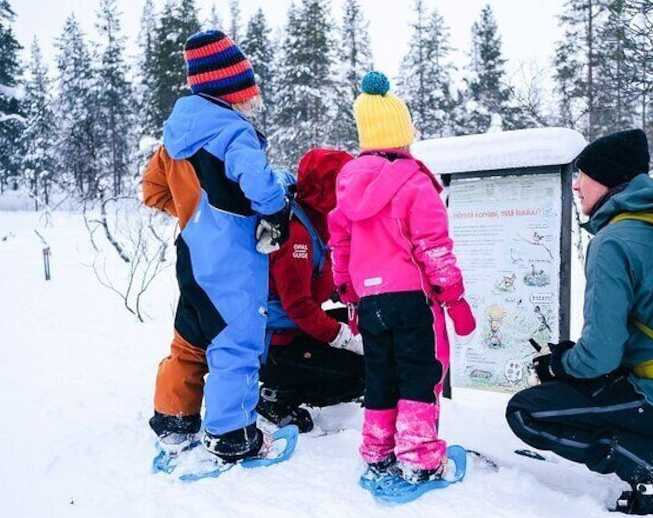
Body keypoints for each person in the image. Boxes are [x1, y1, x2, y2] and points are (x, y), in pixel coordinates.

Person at [506, 129, 653, 517]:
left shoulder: (614, 241)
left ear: (609, 180)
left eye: (584, 176)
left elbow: (600, 356)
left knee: (527, 412)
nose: (577, 186)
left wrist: (556, 365)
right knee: (605, 391)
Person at [142, 30, 292, 463]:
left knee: (189, 339)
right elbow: (261, 187)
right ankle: (231, 435)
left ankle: (174, 421)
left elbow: (152, 191)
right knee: (236, 341)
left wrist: (196, 214)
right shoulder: (233, 132)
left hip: (191, 253)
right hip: (231, 262)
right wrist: (274, 209)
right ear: (232, 90)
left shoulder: (174, 138)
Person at [329, 71, 476, 486]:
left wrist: (350, 294)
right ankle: (418, 457)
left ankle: (377, 452)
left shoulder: (347, 188)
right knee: (418, 373)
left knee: (381, 375)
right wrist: (454, 298)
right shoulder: (415, 184)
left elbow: (340, 247)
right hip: (412, 299)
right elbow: (433, 246)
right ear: (401, 134)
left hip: (371, 302)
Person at [256, 148, 366, 433]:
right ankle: (276, 396)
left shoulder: (317, 220)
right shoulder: (297, 236)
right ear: (327, 189)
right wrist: (342, 337)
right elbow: (298, 305)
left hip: (295, 330)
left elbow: (321, 281)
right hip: (278, 342)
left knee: (369, 333)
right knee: (363, 370)